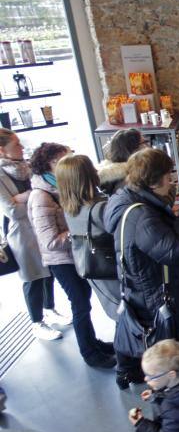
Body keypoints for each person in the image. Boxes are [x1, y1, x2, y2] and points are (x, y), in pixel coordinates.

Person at [104, 148, 179, 389]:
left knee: (142, 332)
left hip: (140, 285)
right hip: (155, 290)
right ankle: (174, 388)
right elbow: (175, 251)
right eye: (168, 175)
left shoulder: (125, 198)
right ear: (154, 181)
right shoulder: (142, 216)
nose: (172, 180)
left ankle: (129, 372)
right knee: (163, 344)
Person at [28, 143, 115, 368]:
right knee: (80, 304)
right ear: (49, 164)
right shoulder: (41, 197)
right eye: (62, 158)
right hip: (61, 261)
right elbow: (49, 242)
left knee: (84, 301)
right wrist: (78, 231)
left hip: (75, 255)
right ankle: (89, 353)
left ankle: (93, 343)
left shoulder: (60, 187)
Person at [0, 129, 65, 341]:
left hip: (41, 226)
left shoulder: (26, 166)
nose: (21, 148)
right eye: (16, 145)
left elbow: (46, 191)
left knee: (48, 271)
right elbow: (12, 211)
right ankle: (37, 322)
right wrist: (35, 196)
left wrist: (25, 197)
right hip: (21, 234)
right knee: (32, 277)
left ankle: (50, 308)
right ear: (2, 150)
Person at [56, 154, 121, 322]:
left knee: (119, 315)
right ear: (88, 175)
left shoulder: (69, 209)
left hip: (95, 270)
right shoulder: (100, 209)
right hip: (114, 271)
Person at [97, 128, 145, 196]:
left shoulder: (113, 176)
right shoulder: (130, 182)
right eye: (144, 142)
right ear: (132, 150)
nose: (148, 146)